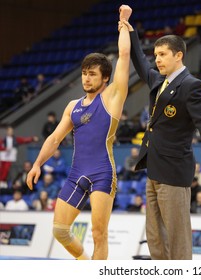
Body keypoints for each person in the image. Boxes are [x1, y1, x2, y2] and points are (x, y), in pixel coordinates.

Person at [122, 6, 201, 260]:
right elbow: (139, 61)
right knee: (155, 236)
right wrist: (130, 30)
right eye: (156, 55)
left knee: (177, 237)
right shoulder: (159, 81)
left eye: (162, 54)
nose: (157, 59)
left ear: (178, 55)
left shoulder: (192, 86)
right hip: (154, 168)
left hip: (174, 170)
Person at [26, 6, 132, 260]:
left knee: (99, 233)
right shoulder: (72, 107)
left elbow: (125, 54)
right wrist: (37, 163)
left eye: (92, 74)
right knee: (60, 230)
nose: (86, 78)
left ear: (104, 78)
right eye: (84, 73)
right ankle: (86, 266)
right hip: (76, 174)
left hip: (102, 173)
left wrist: (123, 23)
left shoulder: (112, 97)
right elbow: (54, 138)